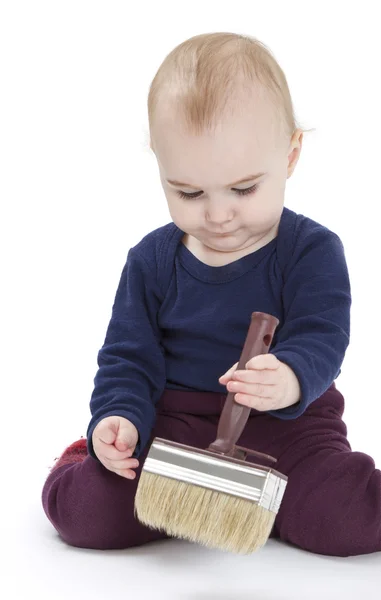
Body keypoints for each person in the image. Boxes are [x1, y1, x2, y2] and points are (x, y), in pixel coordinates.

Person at [41, 32, 381, 557]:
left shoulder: (310, 250)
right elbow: (127, 358)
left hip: (288, 430)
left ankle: (270, 501)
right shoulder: (151, 261)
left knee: (348, 520)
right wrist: (121, 418)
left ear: (290, 155)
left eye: (244, 189)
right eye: (190, 193)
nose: (218, 215)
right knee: (89, 518)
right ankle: (78, 459)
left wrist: (289, 377)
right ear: (160, 164)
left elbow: (323, 336)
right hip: (175, 428)